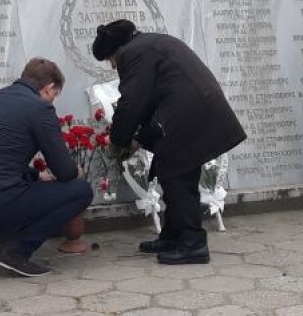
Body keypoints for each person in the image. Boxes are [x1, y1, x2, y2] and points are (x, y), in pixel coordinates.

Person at [92, 20, 246, 265]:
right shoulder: (150, 43)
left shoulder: (134, 53)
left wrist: (120, 139)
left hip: (187, 114)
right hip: (191, 110)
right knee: (172, 172)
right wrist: (139, 137)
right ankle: (173, 236)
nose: (112, 65)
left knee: (177, 176)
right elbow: (153, 95)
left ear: (117, 50)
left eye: (110, 59)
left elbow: (133, 101)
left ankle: (193, 244)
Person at [0, 57, 93, 277]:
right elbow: (64, 171)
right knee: (80, 191)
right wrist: (77, 171)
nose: (52, 102)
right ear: (49, 87)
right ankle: (16, 253)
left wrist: (35, 174)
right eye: (54, 95)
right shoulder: (40, 108)